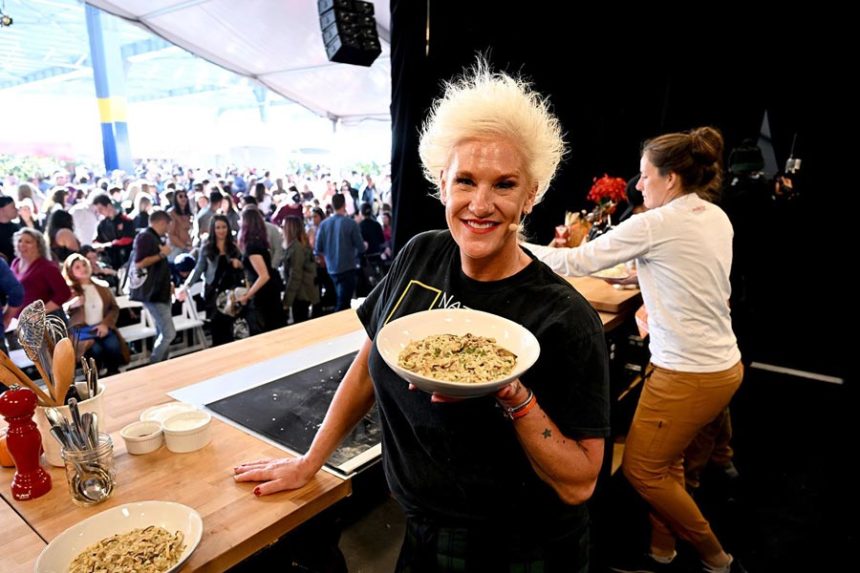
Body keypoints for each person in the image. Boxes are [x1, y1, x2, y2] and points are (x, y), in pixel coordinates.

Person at [235, 63, 610, 572]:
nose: (481, 204)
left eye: (504, 184)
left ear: (532, 194)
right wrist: (309, 460)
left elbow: (581, 480)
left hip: (520, 546)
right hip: (420, 526)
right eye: (466, 181)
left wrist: (513, 394)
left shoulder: (564, 317)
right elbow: (369, 361)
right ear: (442, 182)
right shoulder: (420, 254)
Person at [526, 127, 745, 573]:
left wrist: (511, 243)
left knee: (642, 470)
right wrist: (634, 274)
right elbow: (683, 272)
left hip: (687, 373)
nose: (639, 185)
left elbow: (574, 262)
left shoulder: (657, 222)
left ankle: (717, 558)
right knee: (670, 464)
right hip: (724, 366)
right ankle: (662, 551)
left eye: (645, 176)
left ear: (671, 178)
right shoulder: (713, 216)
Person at [178, 214, 244, 346]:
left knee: (232, 326)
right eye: (218, 227)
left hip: (231, 292)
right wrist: (186, 286)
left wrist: (239, 263)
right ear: (213, 229)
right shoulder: (207, 248)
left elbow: (244, 267)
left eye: (224, 227)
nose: (221, 230)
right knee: (217, 328)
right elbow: (199, 269)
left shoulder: (234, 247)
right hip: (213, 293)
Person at [62, 253, 129, 375]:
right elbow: (62, 311)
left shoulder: (102, 287)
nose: (83, 268)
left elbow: (114, 308)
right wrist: (71, 305)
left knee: (113, 346)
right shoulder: (68, 291)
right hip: (81, 333)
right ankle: (94, 381)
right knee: (95, 351)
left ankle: (113, 375)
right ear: (70, 272)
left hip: (101, 327)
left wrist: (105, 324)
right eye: (77, 267)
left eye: (84, 264)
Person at [129, 210, 175, 363]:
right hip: (153, 293)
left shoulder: (153, 237)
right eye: (167, 225)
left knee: (162, 331)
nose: (168, 229)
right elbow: (139, 263)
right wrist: (162, 255)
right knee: (169, 333)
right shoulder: (145, 237)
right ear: (162, 222)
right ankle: (155, 362)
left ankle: (163, 362)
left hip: (160, 290)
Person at [237, 208, 286, 334]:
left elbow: (263, 275)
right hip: (270, 290)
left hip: (263, 294)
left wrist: (248, 295)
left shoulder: (251, 247)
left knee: (266, 329)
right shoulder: (260, 243)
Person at [313, 193, 365, 311]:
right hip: (348, 267)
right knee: (343, 304)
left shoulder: (324, 224)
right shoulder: (351, 223)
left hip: (331, 269)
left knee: (341, 299)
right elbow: (361, 247)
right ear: (344, 205)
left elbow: (318, 248)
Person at [10, 228, 71, 321]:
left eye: (28, 242)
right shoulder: (15, 262)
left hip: (43, 322)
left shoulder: (47, 267)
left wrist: (39, 313)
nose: (22, 244)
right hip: (18, 321)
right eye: (19, 241)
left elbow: (64, 293)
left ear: (38, 246)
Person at [281, 216, 319, 324]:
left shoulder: (296, 248)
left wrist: (287, 301)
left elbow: (295, 276)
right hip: (305, 292)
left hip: (301, 294)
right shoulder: (300, 244)